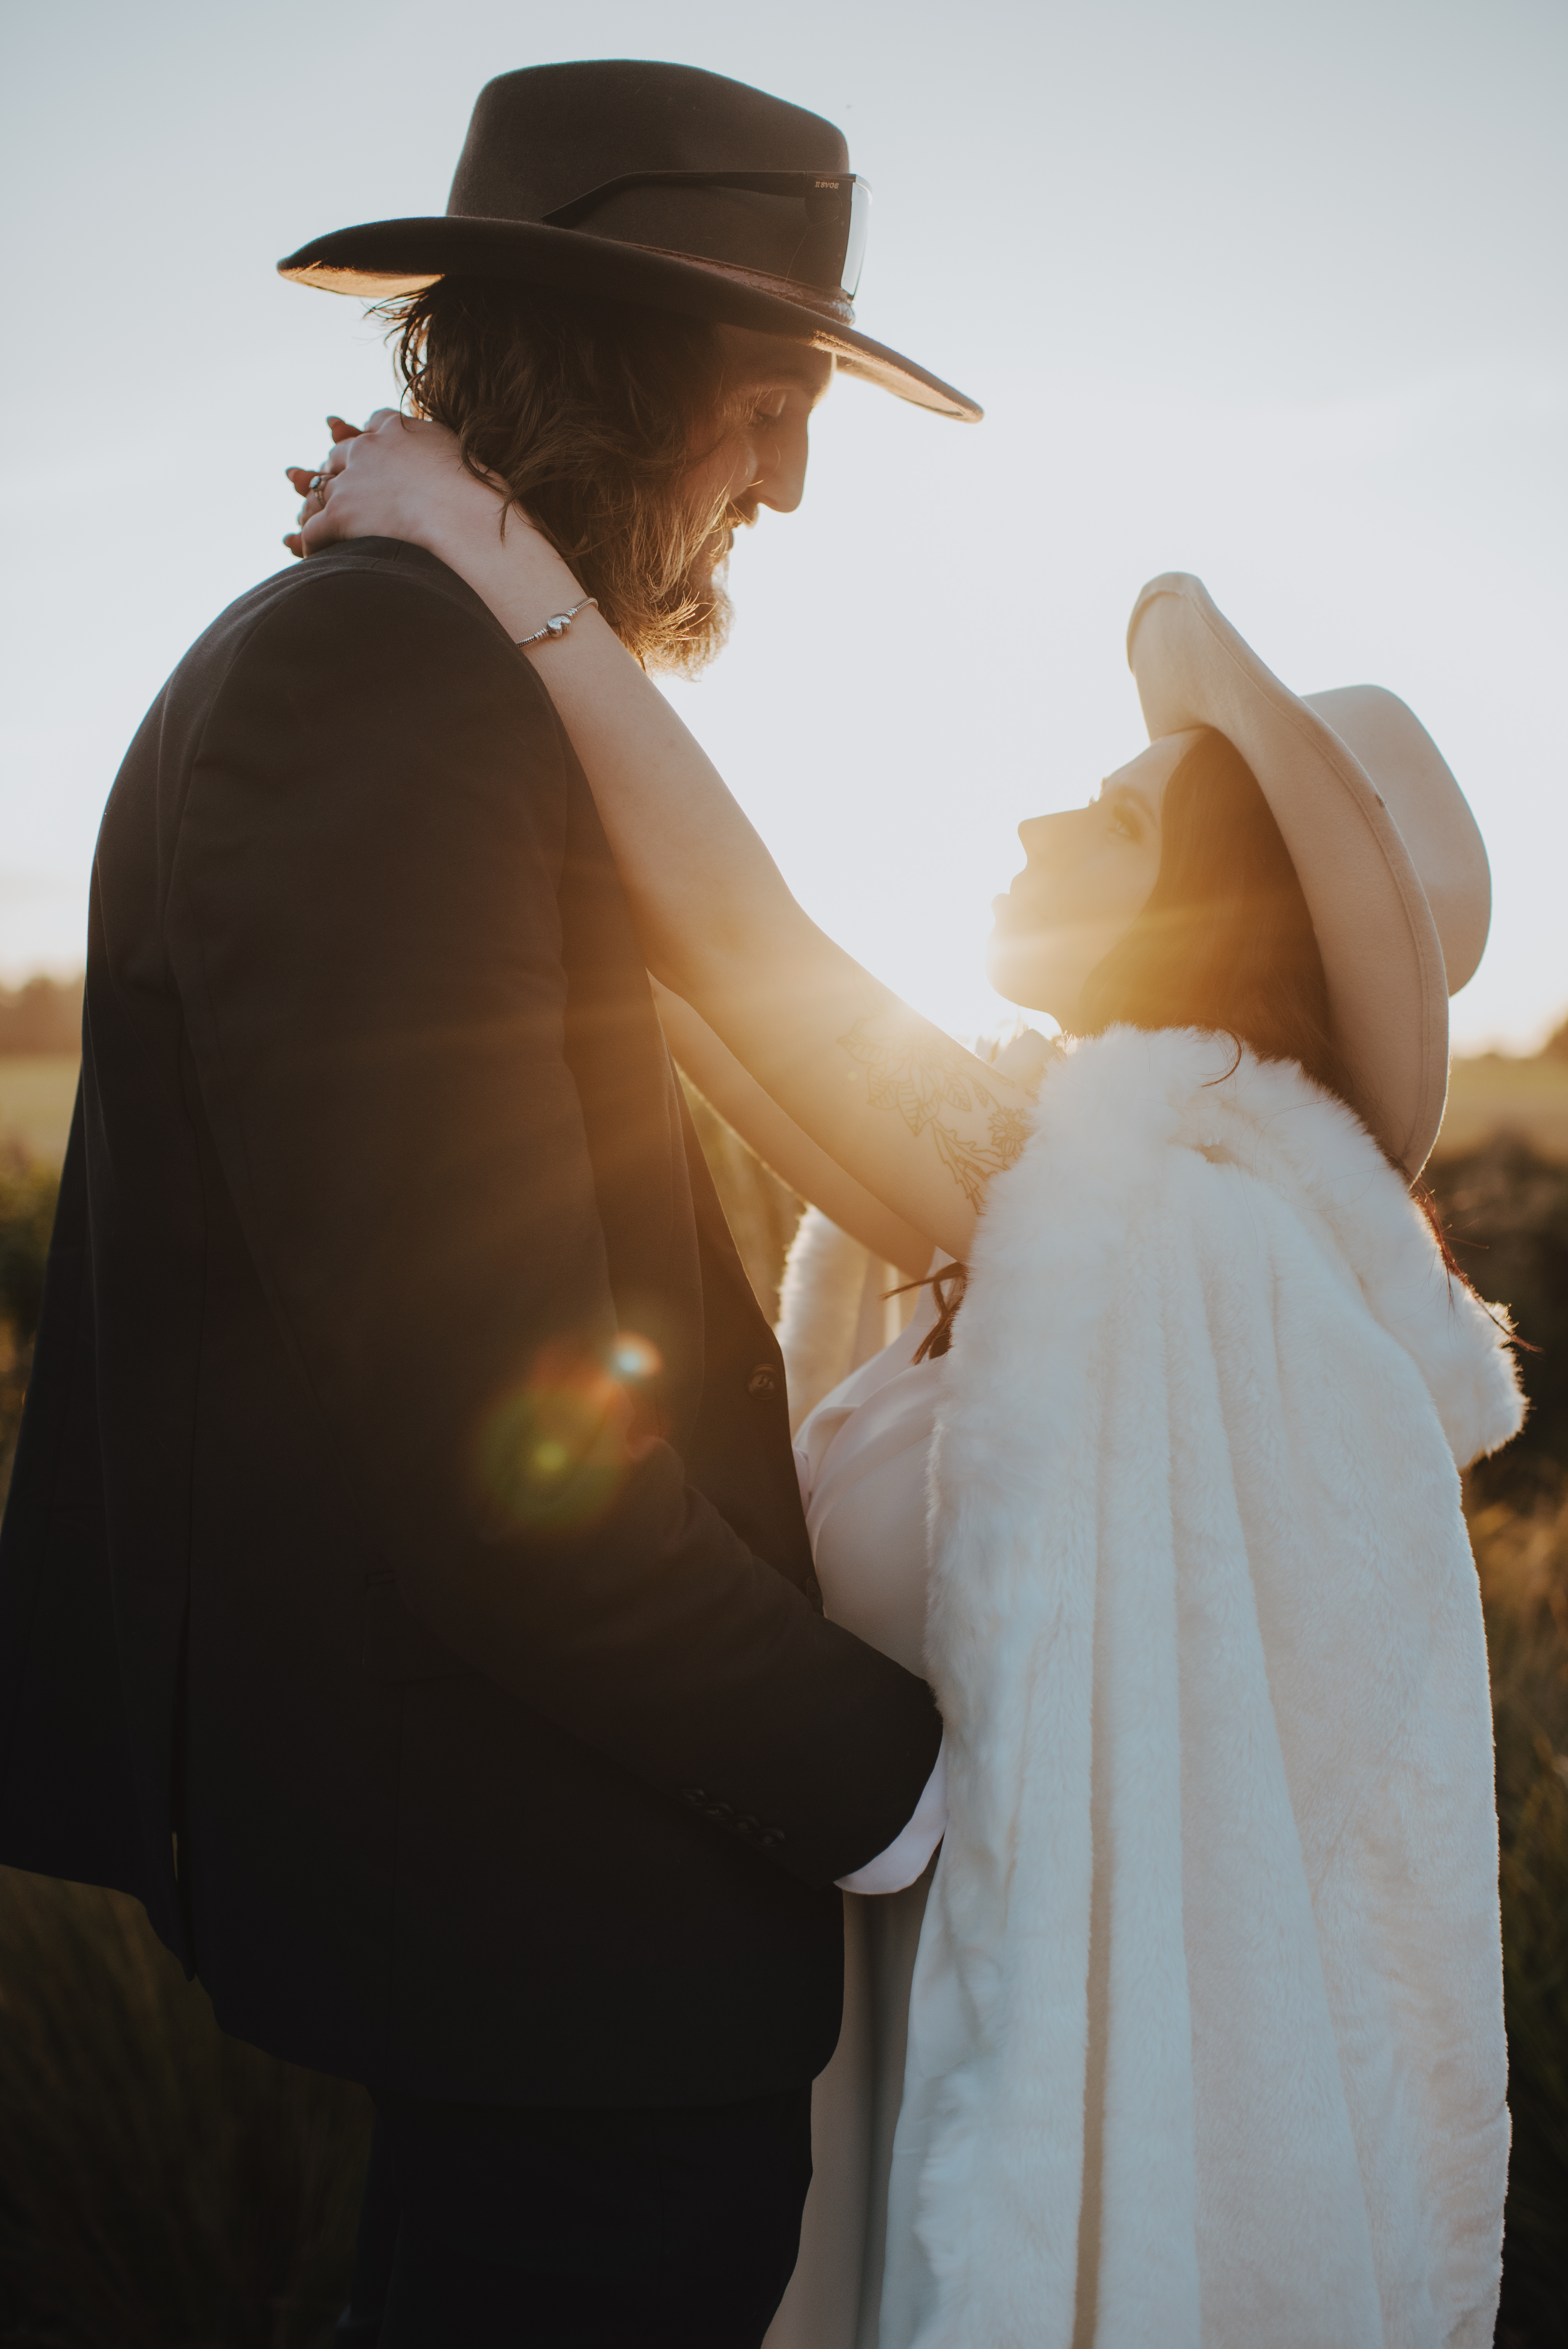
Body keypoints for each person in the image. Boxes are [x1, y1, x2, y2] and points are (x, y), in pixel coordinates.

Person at [297, 412, 1521, 2346]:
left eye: (1115, 822)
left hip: (972, 2106)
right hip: (870, 2072)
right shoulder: (1052, 1220)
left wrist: (486, 540)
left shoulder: (1177, 1233)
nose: (1040, 827)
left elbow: (740, 941)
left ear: (1222, 927)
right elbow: (693, 989)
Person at [0, 62, 1008, 2349]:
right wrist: (908, 1788)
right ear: (633, 369)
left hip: (549, 1897)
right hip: (549, 1918)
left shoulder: (445, 677)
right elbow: (496, 1436)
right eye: (772, 399)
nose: (792, 479)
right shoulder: (372, 687)